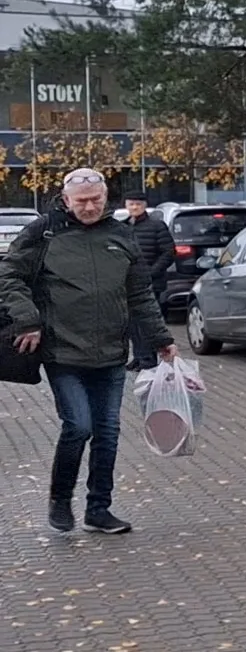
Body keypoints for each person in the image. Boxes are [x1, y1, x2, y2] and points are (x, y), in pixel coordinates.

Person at [0, 168, 175, 535]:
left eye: (96, 199)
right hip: (62, 350)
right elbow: (9, 274)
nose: (90, 206)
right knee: (79, 426)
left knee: (108, 431)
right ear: (66, 200)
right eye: (82, 201)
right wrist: (27, 319)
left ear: (105, 197)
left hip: (111, 351)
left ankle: (99, 509)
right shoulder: (44, 232)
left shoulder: (121, 235)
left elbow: (140, 293)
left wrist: (161, 338)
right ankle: (60, 499)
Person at [122, 191, 174, 369]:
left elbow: (168, 252)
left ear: (144, 206)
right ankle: (139, 356)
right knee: (133, 325)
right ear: (126, 206)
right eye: (131, 204)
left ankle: (148, 359)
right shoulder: (123, 228)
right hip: (128, 284)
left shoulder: (157, 226)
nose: (134, 207)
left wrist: (151, 272)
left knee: (147, 322)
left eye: (138, 204)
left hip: (152, 283)